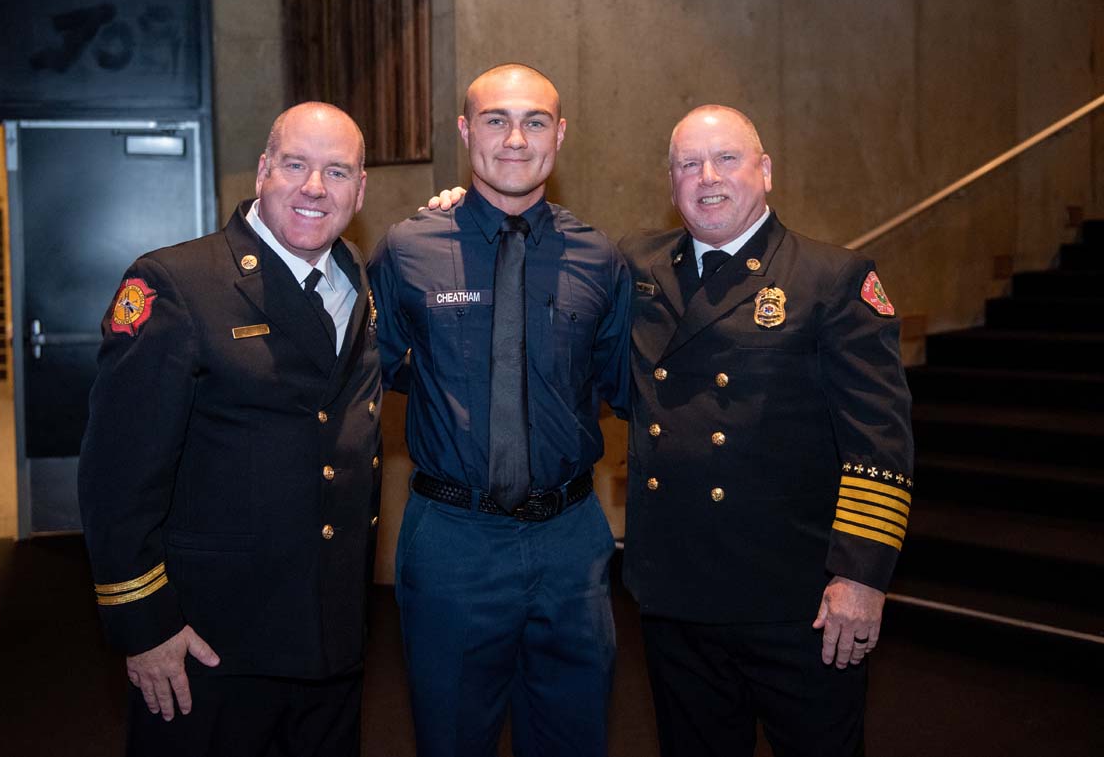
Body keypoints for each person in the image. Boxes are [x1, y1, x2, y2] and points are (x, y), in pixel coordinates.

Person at [78, 102, 383, 756]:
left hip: (329, 636)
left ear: (360, 191)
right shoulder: (179, 284)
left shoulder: (355, 278)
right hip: (210, 646)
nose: (314, 187)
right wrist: (143, 623)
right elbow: (115, 477)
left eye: (337, 171)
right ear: (263, 170)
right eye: (296, 164)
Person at [618, 105, 914, 757]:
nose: (708, 177)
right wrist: (465, 209)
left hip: (799, 602)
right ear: (671, 181)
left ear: (766, 170)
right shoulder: (634, 269)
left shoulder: (831, 279)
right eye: (689, 164)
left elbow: (881, 444)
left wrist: (861, 576)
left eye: (727, 158)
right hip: (676, 596)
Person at [368, 63, 631, 757]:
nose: (515, 138)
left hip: (573, 541)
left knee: (576, 738)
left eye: (535, 121)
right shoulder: (406, 247)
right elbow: (371, 370)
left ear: (560, 134)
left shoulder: (601, 257)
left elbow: (617, 379)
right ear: (464, 130)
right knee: (451, 737)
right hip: (454, 540)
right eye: (495, 119)